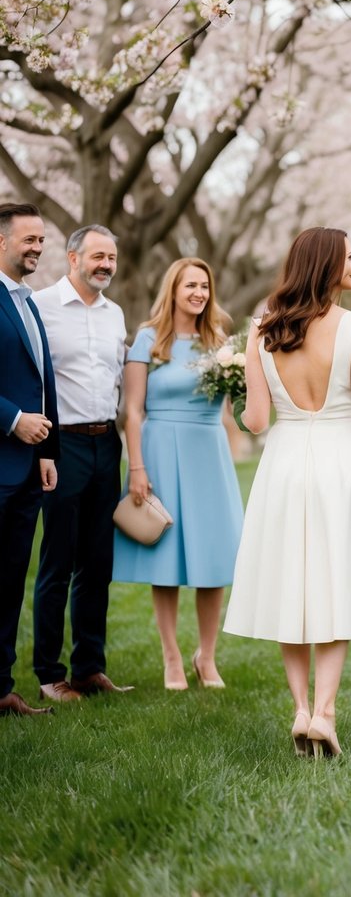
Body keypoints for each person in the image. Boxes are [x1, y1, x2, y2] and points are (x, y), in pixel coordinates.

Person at [224, 228, 351, 759]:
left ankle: (299, 710)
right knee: (337, 583)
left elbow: (257, 419)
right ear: (327, 264)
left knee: (294, 586)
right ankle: (326, 714)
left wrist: (238, 404)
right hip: (344, 462)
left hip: (286, 464)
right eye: (350, 256)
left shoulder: (263, 328)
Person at [113, 258, 243, 691]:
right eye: (191, 285)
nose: (199, 293)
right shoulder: (149, 339)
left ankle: (206, 657)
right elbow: (132, 410)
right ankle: (171, 656)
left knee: (213, 558)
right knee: (164, 560)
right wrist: (137, 467)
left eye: (204, 286)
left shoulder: (219, 341)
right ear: (173, 289)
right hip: (160, 449)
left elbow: (231, 405)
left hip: (208, 451)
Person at [32, 225, 130, 703]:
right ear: (72, 257)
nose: (105, 265)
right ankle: (50, 673)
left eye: (111, 257)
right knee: (58, 561)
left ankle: (91, 667)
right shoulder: (41, 306)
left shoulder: (115, 314)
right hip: (62, 443)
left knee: (98, 562)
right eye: (97, 256)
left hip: (104, 443)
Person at [0, 202, 59, 716]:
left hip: (25, 469)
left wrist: (45, 449)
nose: (38, 247)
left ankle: (0, 688)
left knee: (10, 579)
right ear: (2, 241)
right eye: (29, 239)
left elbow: (43, 381)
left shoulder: (29, 302)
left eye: (41, 240)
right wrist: (11, 419)